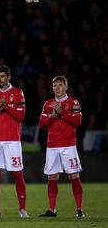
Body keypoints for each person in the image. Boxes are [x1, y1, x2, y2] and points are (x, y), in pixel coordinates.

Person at [0, 65, 28, 218]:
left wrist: (6, 106)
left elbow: (20, 117)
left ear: (8, 77)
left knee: (17, 173)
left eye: (2, 76)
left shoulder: (17, 93)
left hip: (12, 141)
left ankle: (22, 209)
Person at [39, 75, 85, 217]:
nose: (57, 88)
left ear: (66, 87)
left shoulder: (73, 102)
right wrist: (51, 117)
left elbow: (78, 121)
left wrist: (62, 113)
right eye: (54, 85)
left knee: (73, 176)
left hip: (68, 145)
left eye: (60, 85)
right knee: (52, 177)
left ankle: (79, 209)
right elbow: (42, 123)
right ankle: (52, 209)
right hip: (52, 146)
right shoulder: (48, 104)